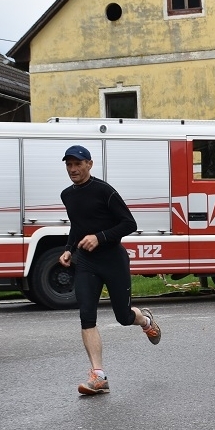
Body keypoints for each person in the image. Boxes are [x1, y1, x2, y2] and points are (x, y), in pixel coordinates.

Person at [58, 144, 162, 396]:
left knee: (123, 317)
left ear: (89, 164)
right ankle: (98, 375)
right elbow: (77, 225)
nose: (73, 169)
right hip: (85, 262)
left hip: (113, 260)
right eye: (69, 165)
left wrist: (100, 237)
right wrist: (70, 248)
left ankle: (144, 319)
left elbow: (129, 223)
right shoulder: (67, 195)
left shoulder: (104, 191)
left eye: (78, 164)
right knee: (86, 315)